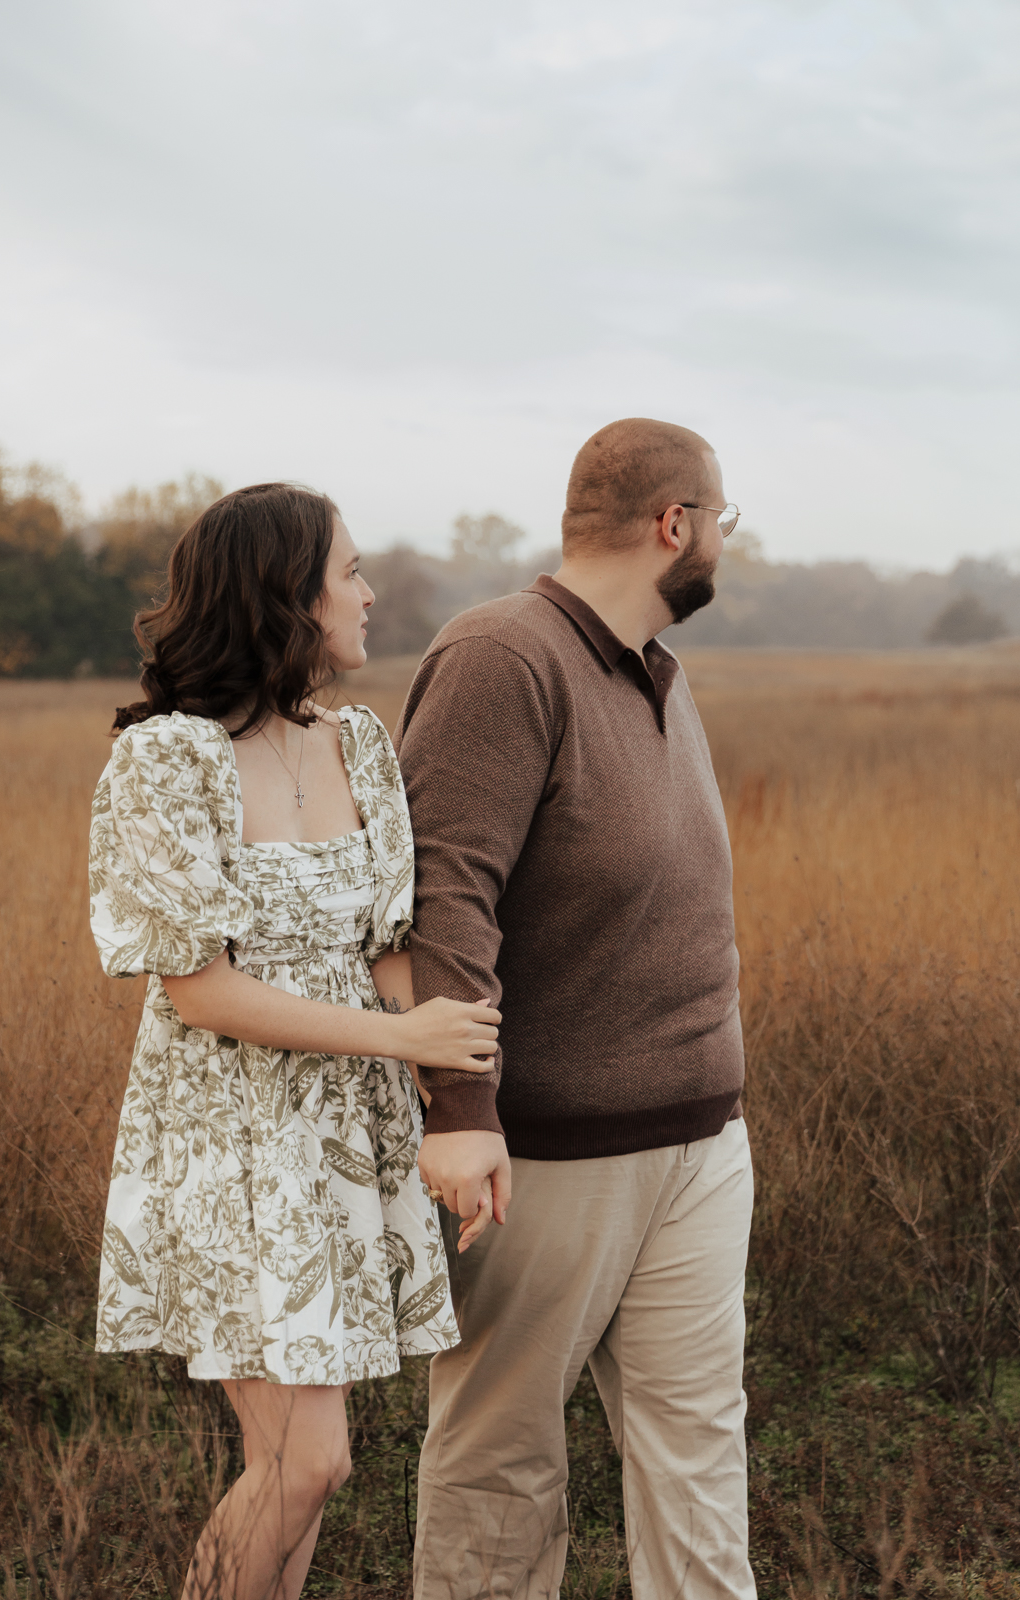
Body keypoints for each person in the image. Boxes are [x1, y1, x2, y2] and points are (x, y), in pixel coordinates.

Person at [87, 482, 501, 1600]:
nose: (370, 595)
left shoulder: (359, 744)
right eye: (351, 573)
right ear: (287, 594)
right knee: (303, 1459)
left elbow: (384, 948)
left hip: (342, 1144)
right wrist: (394, 1034)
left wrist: (452, 1104)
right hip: (231, 1137)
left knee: (305, 1469)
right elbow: (202, 991)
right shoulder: (166, 760)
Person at [396, 418, 756, 1599]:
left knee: (698, 1449)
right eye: (722, 520)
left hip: (700, 1141)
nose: (723, 543)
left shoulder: (659, 669)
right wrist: (458, 1107)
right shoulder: (503, 655)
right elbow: (441, 889)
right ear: (675, 525)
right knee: (500, 1461)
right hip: (542, 1153)